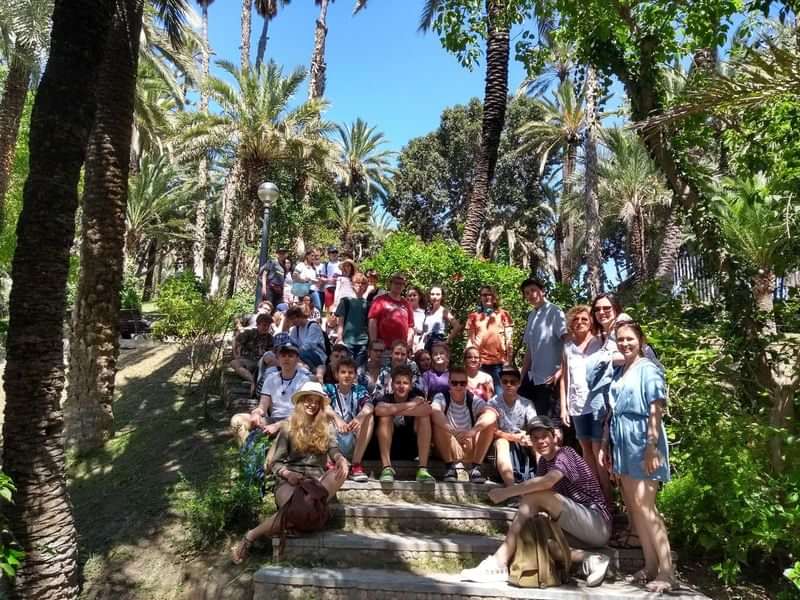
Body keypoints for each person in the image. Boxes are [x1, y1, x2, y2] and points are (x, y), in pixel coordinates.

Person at [461, 416, 612, 588]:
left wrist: (506, 492)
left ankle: (499, 563)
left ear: (555, 436)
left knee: (534, 495)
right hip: (575, 529)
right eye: (535, 437)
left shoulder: (566, 453)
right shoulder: (543, 464)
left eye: (544, 436)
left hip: (597, 523)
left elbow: (547, 483)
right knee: (536, 534)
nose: (540, 441)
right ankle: (591, 560)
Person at [231, 380, 349, 564]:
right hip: (290, 481)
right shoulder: (287, 427)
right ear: (301, 402)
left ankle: (259, 533)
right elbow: (275, 463)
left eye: (316, 401)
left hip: (316, 482)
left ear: (320, 404)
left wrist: (340, 459)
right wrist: (287, 474)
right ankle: (251, 536)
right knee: (299, 507)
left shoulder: (326, 427)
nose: (312, 404)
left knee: (339, 473)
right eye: (308, 400)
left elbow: (333, 450)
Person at [600, 321, 674, 593]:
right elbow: (612, 412)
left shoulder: (649, 369)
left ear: (641, 340)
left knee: (647, 506)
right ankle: (651, 565)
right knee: (634, 507)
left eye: (630, 339)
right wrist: (607, 447)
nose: (625, 343)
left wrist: (652, 445)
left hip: (643, 440)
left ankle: (667, 572)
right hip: (622, 442)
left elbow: (656, 409)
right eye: (620, 339)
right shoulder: (621, 370)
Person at [559, 305, 610, 502]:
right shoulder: (567, 346)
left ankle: (608, 500)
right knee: (586, 449)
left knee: (599, 452)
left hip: (597, 405)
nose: (579, 322)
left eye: (584, 319)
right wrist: (563, 407)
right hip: (577, 404)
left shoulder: (601, 342)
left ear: (591, 322)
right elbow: (565, 377)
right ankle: (595, 496)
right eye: (576, 319)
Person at [229, 340, 310, 445]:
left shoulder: (304, 380)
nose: (286, 359)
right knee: (237, 420)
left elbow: (302, 413)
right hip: (273, 419)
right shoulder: (271, 378)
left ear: (297, 360)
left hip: (294, 421)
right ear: (278, 359)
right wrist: (256, 413)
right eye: (283, 356)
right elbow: (263, 406)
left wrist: (279, 425)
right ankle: (250, 453)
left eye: (290, 356)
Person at [431, 366, 497, 483]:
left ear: (467, 383)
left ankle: (476, 467)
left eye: (462, 383)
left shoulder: (472, 399)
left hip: (468, 445)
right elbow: (434, 411)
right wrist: (454, 432)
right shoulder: (442, 396)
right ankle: (450, 467)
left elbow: (492, 414)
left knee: (489, 423)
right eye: (455, 383)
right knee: (438, 422)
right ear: (449, 383)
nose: (458, 386)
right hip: (448, 445)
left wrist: (472, 432)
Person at [374, 365, 435, 483]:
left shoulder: (415, 396)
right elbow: (378, 410)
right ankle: (387, 468)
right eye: (398, 383)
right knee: (385, 418)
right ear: (392, 385)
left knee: (424, 418)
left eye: (405, 383)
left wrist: (392, 410)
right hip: (389, 448)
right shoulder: (387, 398)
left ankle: (423, 469)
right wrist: (411, 405)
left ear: (410, 386)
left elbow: (427, 409)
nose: (401, 386)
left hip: (411, 448)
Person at [519, 278, 567, 422]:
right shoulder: (532, 315)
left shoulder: (554, 311)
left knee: (551, 422)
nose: (531, 295)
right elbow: (530, 350)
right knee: (534, 419)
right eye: (527, 293)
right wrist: (521, 376)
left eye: (533, 290)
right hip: (534, 378)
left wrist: (561, 370)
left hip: (550, 378)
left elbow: (567, 342)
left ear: (542, 291)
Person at [323, 357, 374, 482]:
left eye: (350, 373)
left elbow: (370, 405)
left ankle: (356, 465)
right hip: (333, 438)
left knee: (369, 417)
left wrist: (359, 417)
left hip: (352, 436)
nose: (347, 375)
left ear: (355, 375)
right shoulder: (329, 388)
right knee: (322, 414)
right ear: (337, 375)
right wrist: (337, 418)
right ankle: (330, 462)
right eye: (343, 372)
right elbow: (324, 404)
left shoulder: (359, 389)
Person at [489, 366, 537, 486]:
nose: (509, 385)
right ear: (500, 383)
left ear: (519, 383)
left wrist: (528, 437)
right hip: (500, 440)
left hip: (522, 440)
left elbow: (535, 425)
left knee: (537, 440)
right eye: (505, 382)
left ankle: (543, 481)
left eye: (513, 382)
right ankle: (511, 489)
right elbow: (493, 431)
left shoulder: (527, 404)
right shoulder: (492, 403)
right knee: (502, 443)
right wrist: (513, 437)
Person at [465, 286, 513, 391]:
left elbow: (509, 340)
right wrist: (467, 360)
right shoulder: (473, 316)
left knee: (499, 395)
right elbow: (470, 340)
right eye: (484, 295)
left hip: (498, 363)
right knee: (481, 396)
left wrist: (508, 361)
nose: (487, 297)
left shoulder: (503, 314)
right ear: (480, 297)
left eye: (490, 294)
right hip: (479, 362)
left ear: (495, 297)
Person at [367, 272, 414, 351]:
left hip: (401, 349)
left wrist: (409, 344)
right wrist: (373, 342)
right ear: (390, 284)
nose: (399, 285)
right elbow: (372, 322)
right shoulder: (379, 300)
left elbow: (410, 326)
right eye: (396, 283)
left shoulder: (406, 304)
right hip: (383, 348)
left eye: (402, 284)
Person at [230, 313, 273, 396]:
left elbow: (271, 352)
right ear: (257, 325)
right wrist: (236, 355)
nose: (266, 328)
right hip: (248, 360)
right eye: (264, 325)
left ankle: (257, 381)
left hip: (261, 364)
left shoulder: (270, 338)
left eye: (268, 325)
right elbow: (236, 341)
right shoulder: (249, 333)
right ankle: (252, 381)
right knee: (234, 363)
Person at [335, 272, 369, 365]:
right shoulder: (345, 301)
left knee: (359, 370)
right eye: (357, 283)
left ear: (366, 287)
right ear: (352, 285)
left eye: (363, 283)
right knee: (347, 367)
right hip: (347, 341)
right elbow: (340, 322)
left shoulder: (368, 304)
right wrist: (339, 338)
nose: (360, 286)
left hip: (363, 341)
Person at [285, 306, 327, 371]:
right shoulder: (296, 329)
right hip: (302, 355)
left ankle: (313, 371)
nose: (292, 321)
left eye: (293, 318)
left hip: (317, 355)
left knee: (298, 355)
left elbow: (309, 345)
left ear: (300, 316)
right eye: (290, 319)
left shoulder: (313, 326)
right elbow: (290, 341)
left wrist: (294, 352)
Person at [422, 286, 462, 351]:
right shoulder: (427, 311)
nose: (435, 297)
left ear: (442, 296)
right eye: (432, 294)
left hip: (437, 343)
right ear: (429, 296)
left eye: (438, 294)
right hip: (426, 344)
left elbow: (457, 326)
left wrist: (447, 340)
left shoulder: (444, 311)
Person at [318, 246, 341, 313]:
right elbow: (322, 277)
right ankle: (329, 322)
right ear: (329, 254)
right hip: (329, 288)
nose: (334, 254)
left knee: (339, 307)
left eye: (335, 252)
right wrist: (330, 280)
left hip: (340, 288)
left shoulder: (342, 264)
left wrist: (339, 278)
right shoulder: (325, 265)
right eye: (332, 252)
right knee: (329, 307)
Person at [405, 285, 427, 352]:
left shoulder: (425, 313)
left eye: (414, 295)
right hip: (405, 342)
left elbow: (426, 331)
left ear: (419, 297)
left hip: (420, 343)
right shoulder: (404, 311)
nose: (412, 297)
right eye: (410, 295)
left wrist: (420, 345)